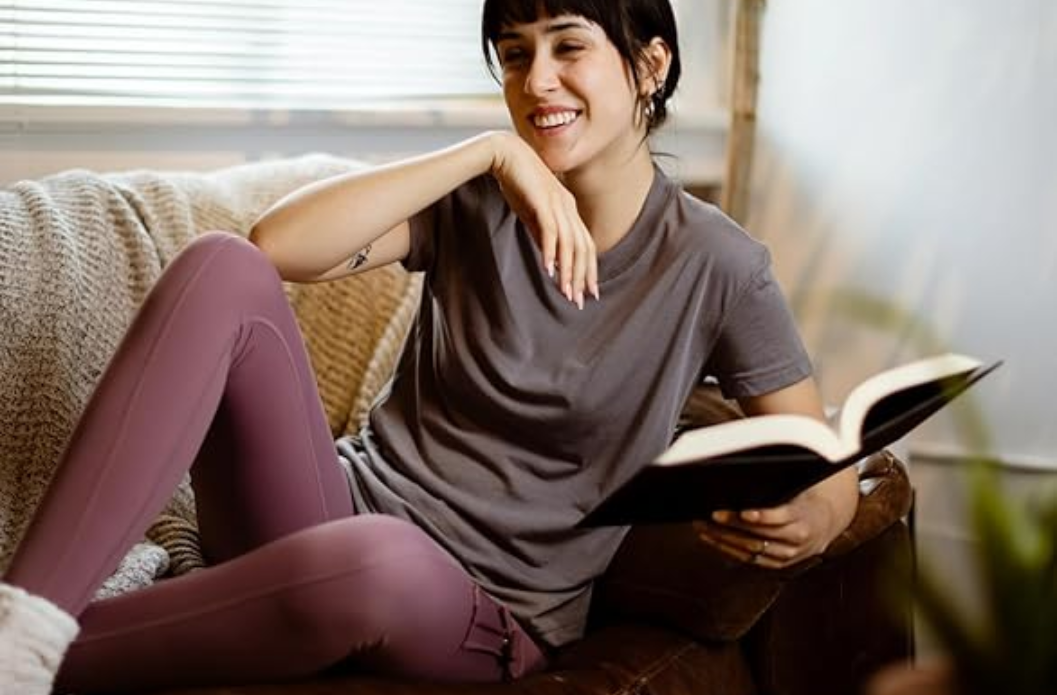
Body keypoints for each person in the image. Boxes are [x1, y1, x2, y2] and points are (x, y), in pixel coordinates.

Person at [0, 0, 859, 692]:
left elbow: (825, 457)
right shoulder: (475, 203)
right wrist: (485, 155)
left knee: (379, 559)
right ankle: (22, 626)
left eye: (569, 46)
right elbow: (274, 247)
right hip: (323, 511)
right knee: (220, 265)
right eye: (516, 54)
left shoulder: (718, 266)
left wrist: (812, 515)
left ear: (650, 64)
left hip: (476, 610)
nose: (539, 80)